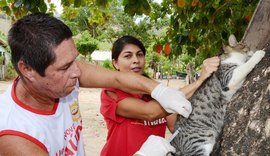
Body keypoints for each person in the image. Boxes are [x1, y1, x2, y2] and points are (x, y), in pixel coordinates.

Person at [0, 13, 196, 156]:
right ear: (27, 70)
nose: (77, 73)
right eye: (65, 67)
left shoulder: (65, 77)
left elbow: (118, 78)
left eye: (75, 61)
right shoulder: (16, 136)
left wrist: (159, 90)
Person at [100, 36, 220, 156]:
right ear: (115, 63)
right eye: (128, 56)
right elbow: (150, 112)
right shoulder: (111, 93)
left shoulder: (155, 91)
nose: (136, 60)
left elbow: (174, 126)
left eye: (140, 55)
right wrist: (200, 81)